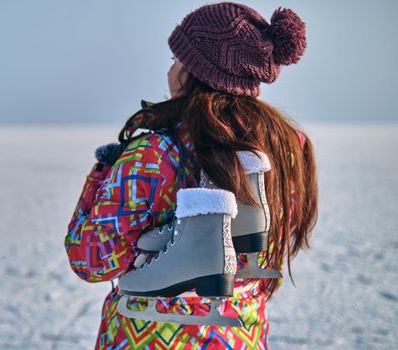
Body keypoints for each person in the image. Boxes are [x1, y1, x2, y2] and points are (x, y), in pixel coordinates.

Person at [64, 2, 318, 348]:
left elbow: (90, 260)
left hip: (148, 336)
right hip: (239, 334)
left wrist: (103, 171)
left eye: (175, 60)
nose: (170, 71)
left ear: (191, 70)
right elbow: (266, 257)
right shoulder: (287, 148)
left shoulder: (153, 155)